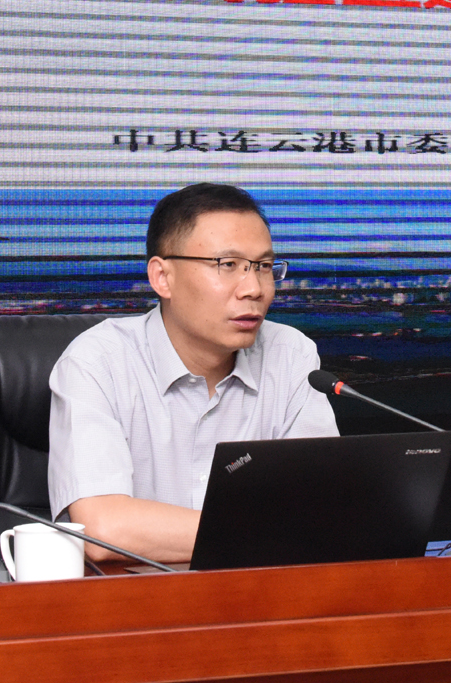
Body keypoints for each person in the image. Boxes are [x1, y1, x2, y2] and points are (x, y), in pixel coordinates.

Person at [47, 183, 338, 562]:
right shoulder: (98, 362)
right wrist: (273, 531)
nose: (254, 289)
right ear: (162, 277)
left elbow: (322, 507)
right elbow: (104, 529)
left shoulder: (291, 355)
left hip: (259, 590)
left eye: (264, 267)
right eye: (227, 265)